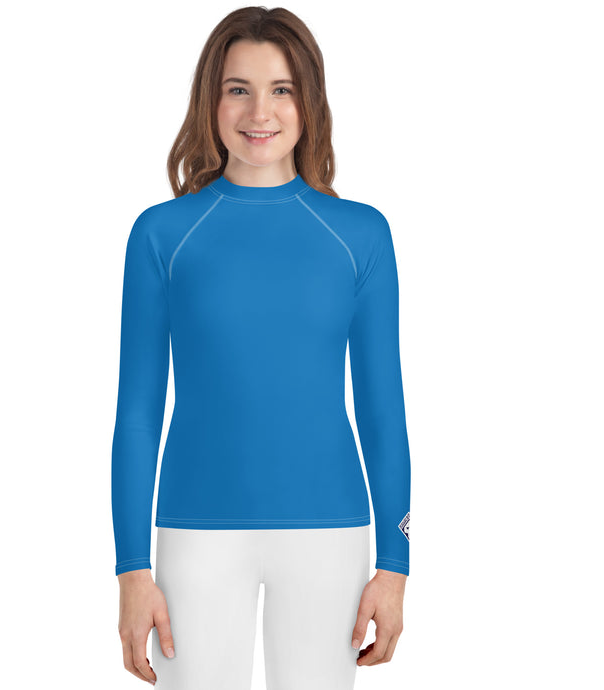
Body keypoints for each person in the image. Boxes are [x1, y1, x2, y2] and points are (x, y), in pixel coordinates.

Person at [111, 7, 412, 689]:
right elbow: (137, 414)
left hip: (329, 535)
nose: (260, 112)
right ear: (210, 101)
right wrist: (132, 569)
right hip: (195, 536)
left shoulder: (360, 235)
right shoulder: (162, 234)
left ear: (309, 100)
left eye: (281, 89)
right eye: (237, 89)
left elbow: (383, 412)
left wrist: (395, 565)